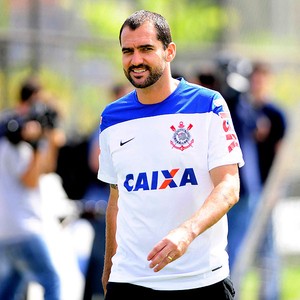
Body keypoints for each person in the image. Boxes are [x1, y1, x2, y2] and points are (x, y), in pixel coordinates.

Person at [98, 10, 244, 300]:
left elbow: (229, 186)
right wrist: (109, 268)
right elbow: (116, 200)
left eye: (146, 49)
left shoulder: (208, 105)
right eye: (127, 51)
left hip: (201, 280)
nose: (135, 60)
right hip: (131, 280)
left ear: (169, 51)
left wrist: (187, 232)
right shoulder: (112, 118)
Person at [0, 77, 65, 300]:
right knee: (52, 280)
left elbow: (46, 169)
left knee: (11, 285)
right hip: (22, 227)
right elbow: (29, 180)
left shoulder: (15, 135)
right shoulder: (12, 135)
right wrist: (37, 145)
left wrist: (49, 142)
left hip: (8, 228)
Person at [227, 61, 287, 300]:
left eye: (262, 79)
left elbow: (281, 157)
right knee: (238, 246)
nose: (257, 84)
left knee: (267, 249)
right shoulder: (243, 109)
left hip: (265, 188)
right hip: (248, 189)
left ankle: (269, 295)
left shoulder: (275, 113)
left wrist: (274, 189)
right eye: (255, 79)